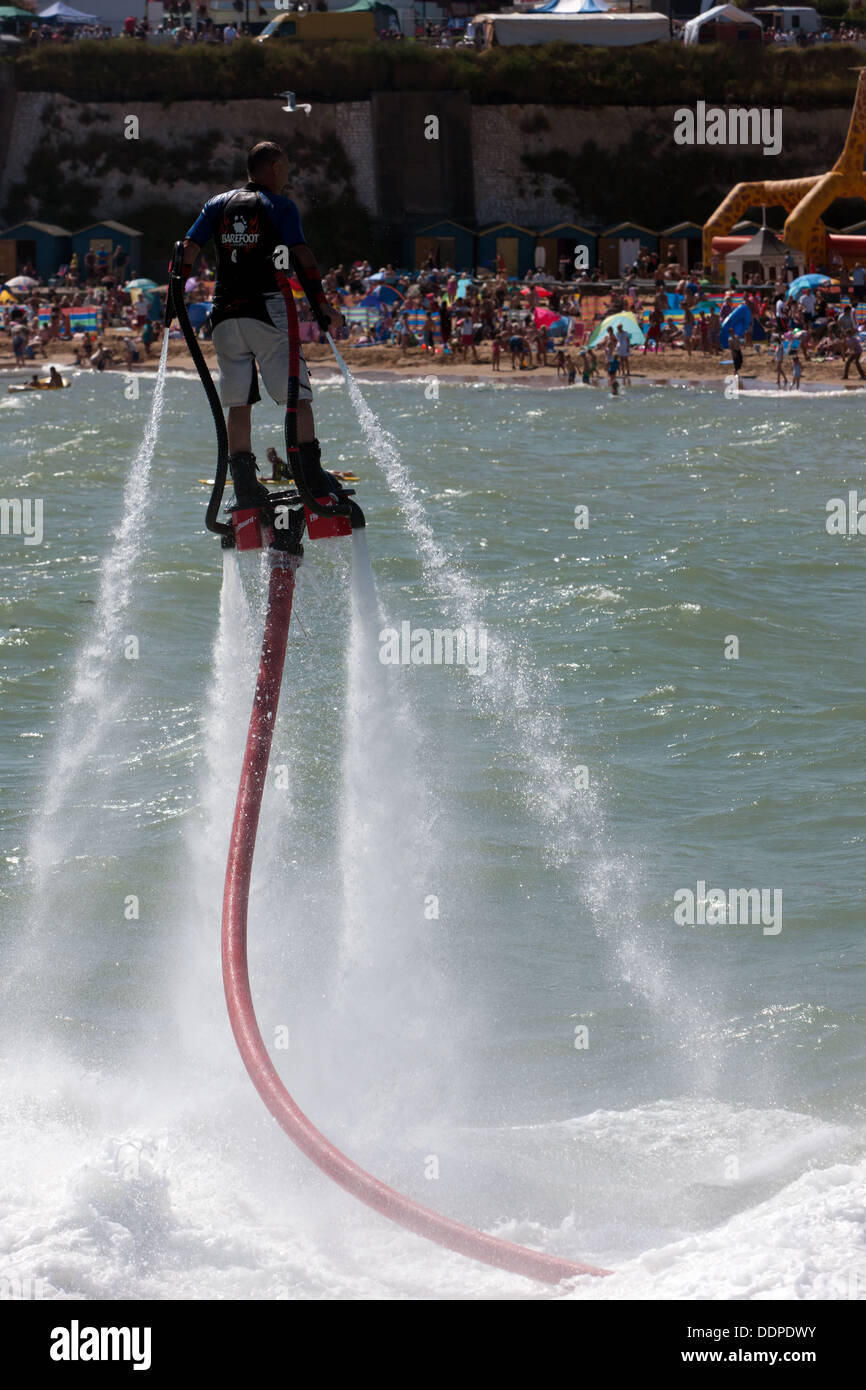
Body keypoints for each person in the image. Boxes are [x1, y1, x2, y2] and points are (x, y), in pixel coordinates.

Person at [182, 140, 345, 507]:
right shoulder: (281, 207)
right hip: (267, 310)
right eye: (285, 168)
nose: (286, 175)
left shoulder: (216, 203)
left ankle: (244, 487)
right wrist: (323, 306)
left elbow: (188, 249)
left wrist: (174, 297)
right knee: (298, 399)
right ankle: (312, 478)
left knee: (238, 405)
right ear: (273, 167)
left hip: (223, 314)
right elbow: (302, 256)